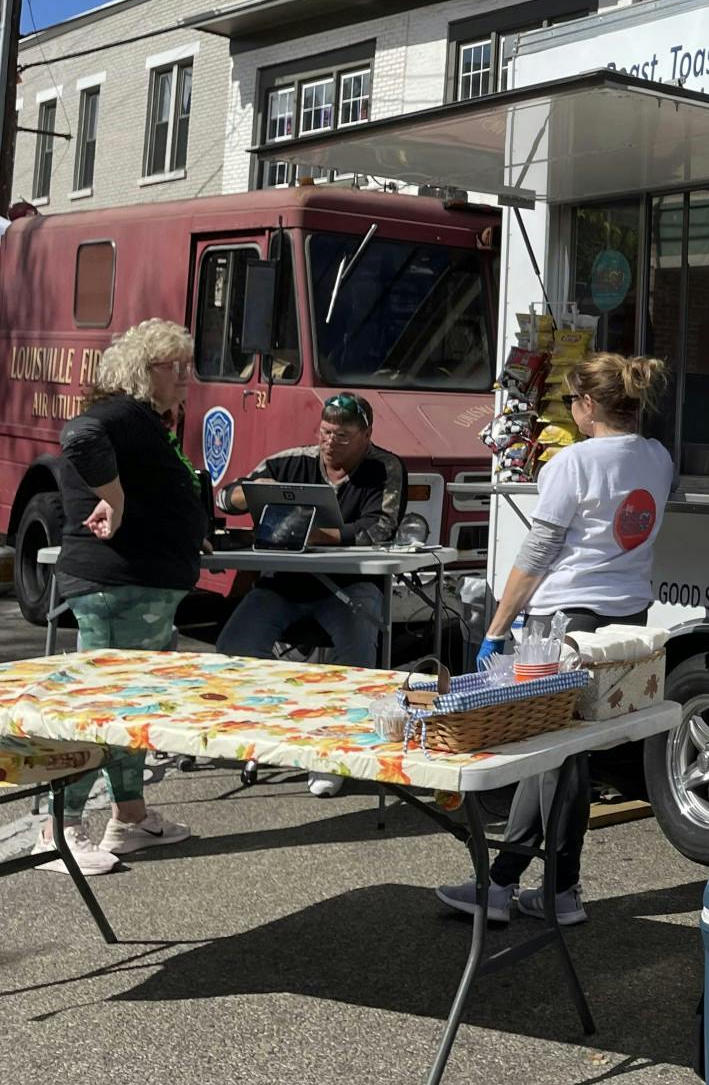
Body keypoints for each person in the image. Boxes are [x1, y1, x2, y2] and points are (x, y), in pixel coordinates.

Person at [436, 353, 671, 928]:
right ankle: (521, 885)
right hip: (629, 614)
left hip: (568, 618)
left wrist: (496, 629)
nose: (570, 411)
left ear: (588, 405)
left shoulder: (573, 462)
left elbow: (537, 554)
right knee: (563, 753)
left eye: (571, 401)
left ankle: (541, 886)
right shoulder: (658, 457)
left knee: (555, 755)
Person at [39, 319, 208, 874]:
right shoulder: (122, 414)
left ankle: (130, 817)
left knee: (134, 708)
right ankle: (58, 829)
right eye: (173, 366)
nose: (185, 377)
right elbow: (79, 437)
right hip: (118, 587)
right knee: (101, 708)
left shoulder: (143, 422)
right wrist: (113, 498)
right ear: (143, 370)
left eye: (186, 365)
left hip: (141, 588)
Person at [215, 392, 407, 797]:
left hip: (350, 586)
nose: (330, 442)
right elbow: (223, 498)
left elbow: (380, 529)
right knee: (234, 647)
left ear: (367, 436)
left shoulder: (385, 468)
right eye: (325, 432)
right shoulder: (290, 462)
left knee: (357, 659)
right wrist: (249, 491)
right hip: (284, 583)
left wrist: (317, 534)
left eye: (343, 436)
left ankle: (333, 752)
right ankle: (280, 726)